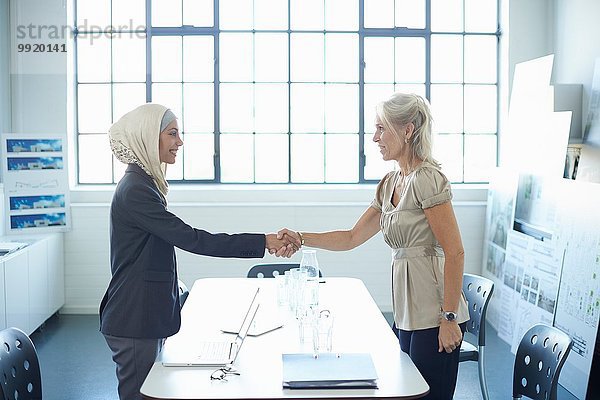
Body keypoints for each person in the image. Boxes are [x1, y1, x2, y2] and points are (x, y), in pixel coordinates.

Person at [99, 103, 296, 400]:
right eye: (172, 133)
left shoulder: (142, 183)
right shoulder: (136, 189)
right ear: (148, 136)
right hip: (134, 316)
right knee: (139, 396)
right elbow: (192, 239)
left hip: (142, 313)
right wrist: (263, 241)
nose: (180, 142)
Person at [279, 93, 469, 399]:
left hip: (436, 314)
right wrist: (300, 238)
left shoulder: (428, 180)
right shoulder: (390, 183)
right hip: (407, 312)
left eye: (381, 129)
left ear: (407, 130)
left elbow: (455, 251)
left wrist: (448, 317)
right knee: (406, 390)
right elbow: (352, 237)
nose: (374, 137)